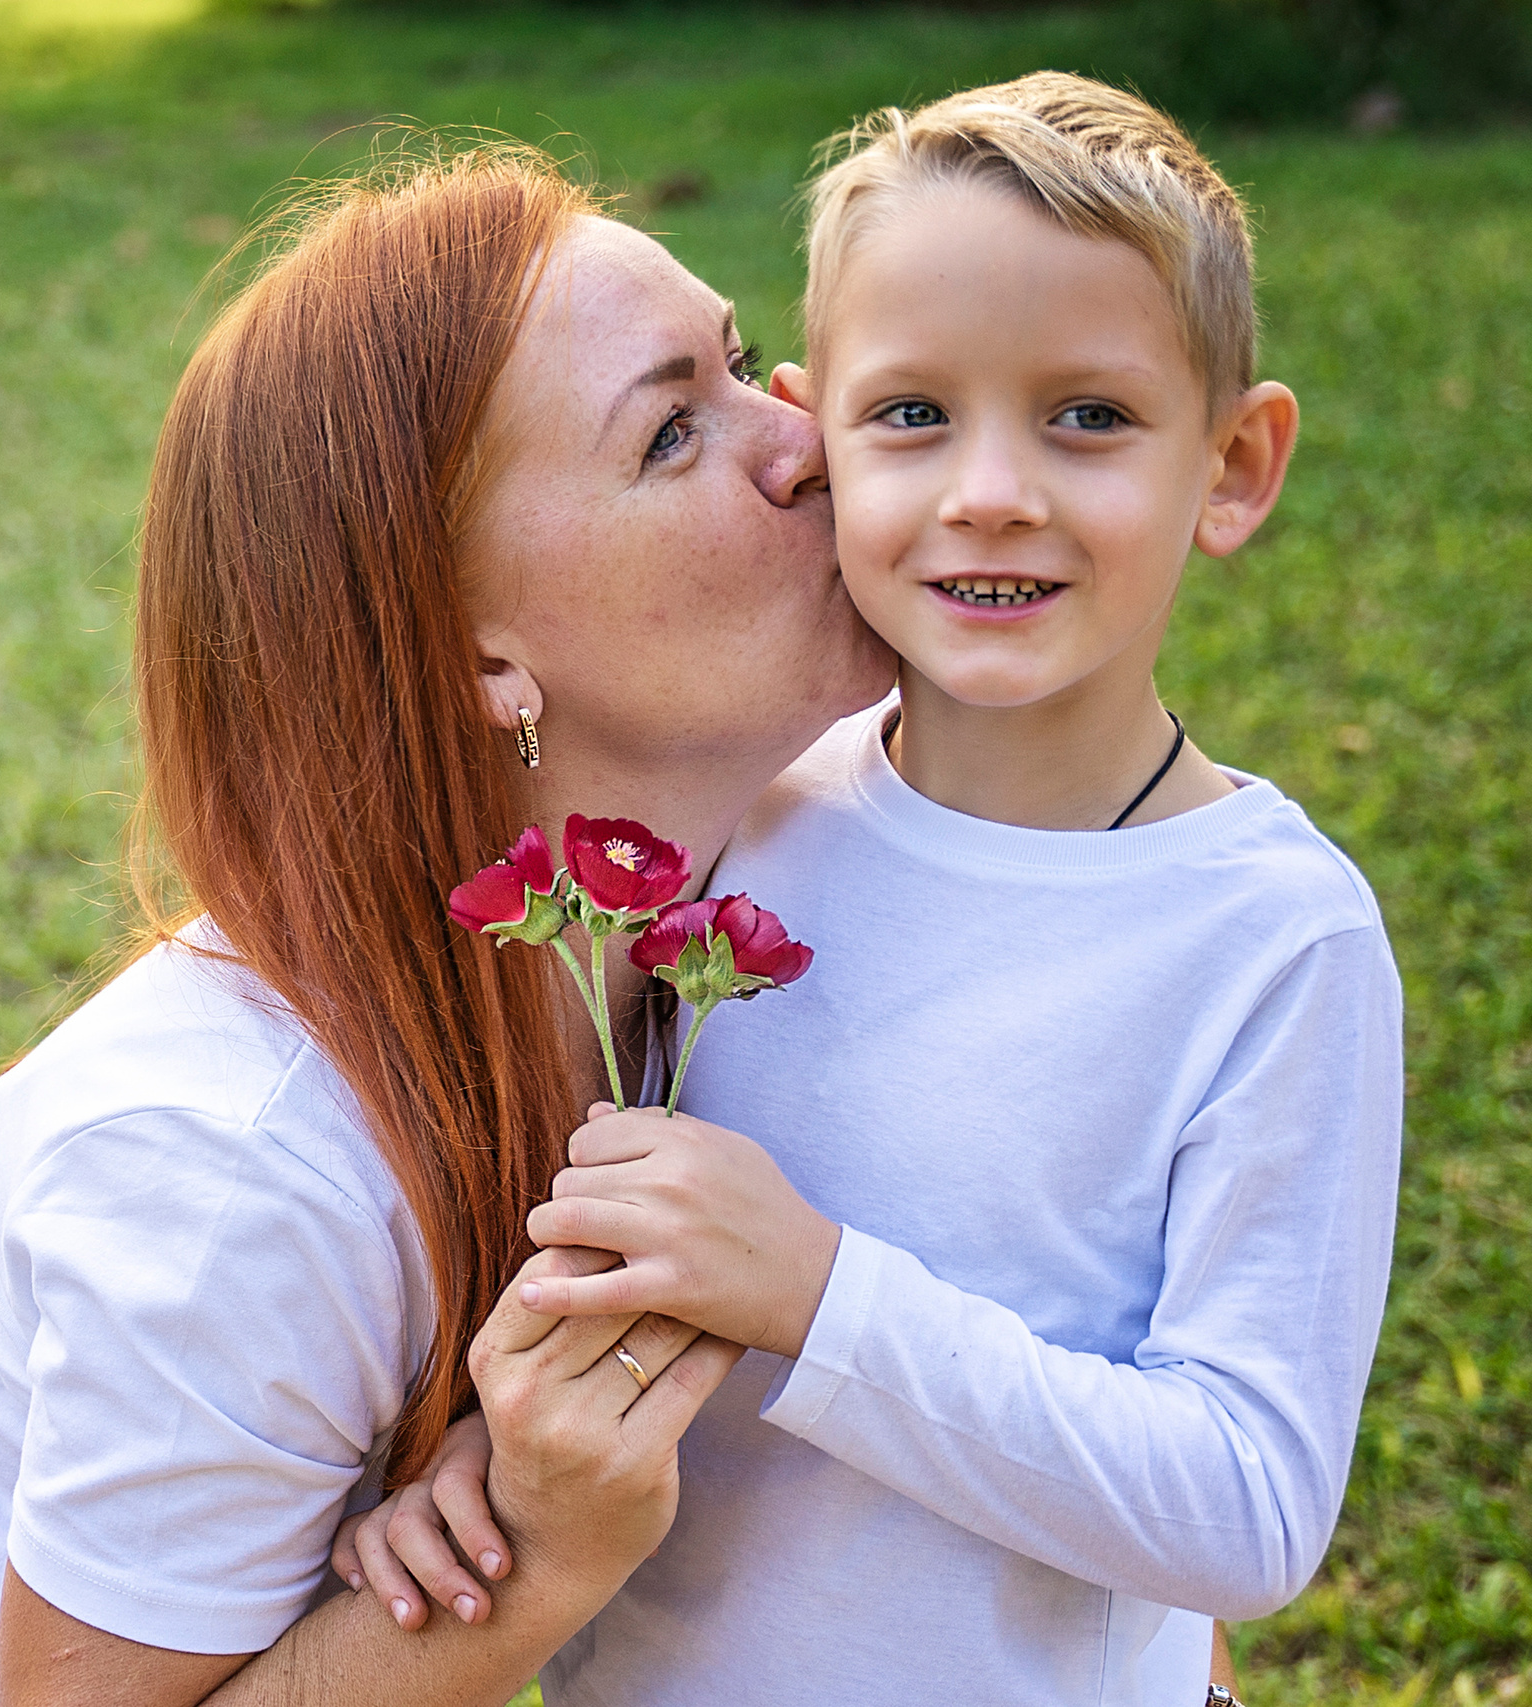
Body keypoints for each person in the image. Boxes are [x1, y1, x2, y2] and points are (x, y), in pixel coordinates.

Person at [0, 143, 893, 1706]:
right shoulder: (232, 1168)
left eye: (744, 360)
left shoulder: (772, 865)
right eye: (675, 428)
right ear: (476, 662)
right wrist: (541, 1556)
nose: (811, 434)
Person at [340, 75, 1401, 1705]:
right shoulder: (735, 826)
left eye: (1090, 417)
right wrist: (482, 1463)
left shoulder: (1270, 939)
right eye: (914, 415)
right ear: (812, 435)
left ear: (1235, 466)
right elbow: (619, 1255)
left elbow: (1250, 1508)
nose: (991, 489)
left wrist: (824, 1300)